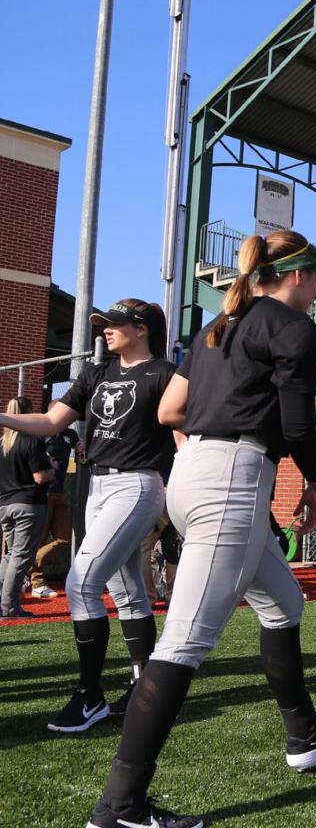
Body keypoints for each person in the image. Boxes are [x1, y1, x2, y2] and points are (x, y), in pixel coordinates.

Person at [82, 231, 316, 828]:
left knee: (284, 604)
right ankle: (118, 808)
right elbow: (295, 422)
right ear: (298, 275)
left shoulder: (217, 326)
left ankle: (304, 732)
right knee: (183, 643)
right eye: (315, 280)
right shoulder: (291, 326)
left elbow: (171, 412)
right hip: (231, 483)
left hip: (197, 477)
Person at [1, 300, 177, 731]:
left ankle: (89, 695)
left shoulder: (166, 374)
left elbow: (181, 433)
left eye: (114, 325)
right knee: (126, 588)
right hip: (97, 486)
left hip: (137, 484)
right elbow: (49, 421)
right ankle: (143, 687)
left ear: (141, 329)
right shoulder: (96, 373)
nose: (104, 332)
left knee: (82, 583)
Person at [0, 397, 53, 619]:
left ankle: (4, 603)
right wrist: (53, 468)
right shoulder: (32, 440)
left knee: (10, 555)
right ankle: (8, 607)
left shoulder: (3, 442)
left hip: (5, 504)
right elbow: (40, 477)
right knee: (20, 557)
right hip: (28, 503)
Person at [27, 426, 80, 597]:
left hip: (60, 492)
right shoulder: (40, 434)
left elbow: (78, 446)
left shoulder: (69, 434)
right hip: (43, 492)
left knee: (64, 538)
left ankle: (28, 564)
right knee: (40, 539)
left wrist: (80, 447)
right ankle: (37, 583)